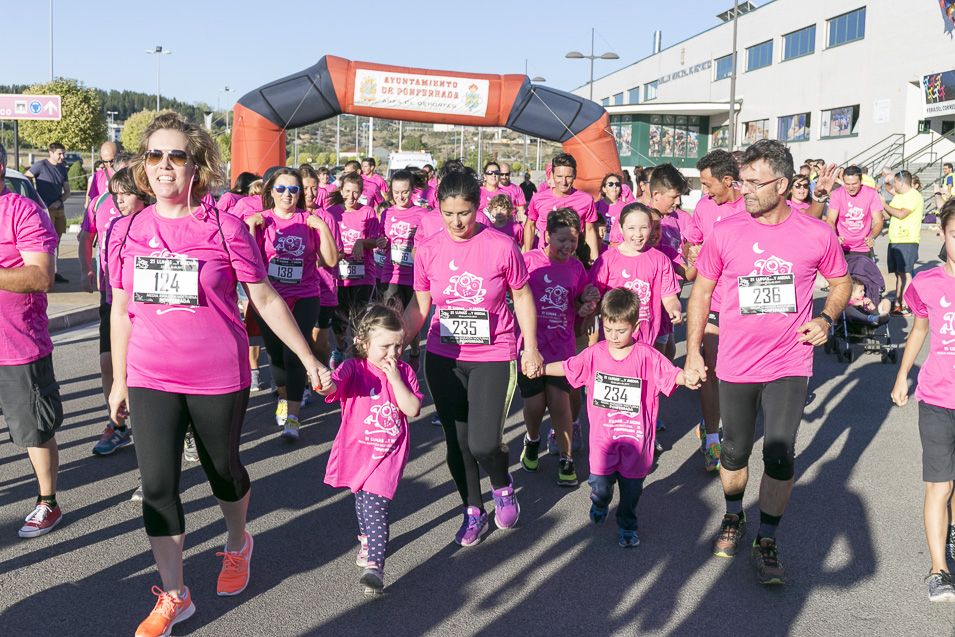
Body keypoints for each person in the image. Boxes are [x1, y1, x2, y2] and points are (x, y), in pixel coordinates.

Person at [107, 113, 330, 637]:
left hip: (216, 374)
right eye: (155, 156)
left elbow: (266, 297)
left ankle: (237, 542)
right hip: (149, 375)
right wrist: (118, 380)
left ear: (196, 165)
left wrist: (309, 359)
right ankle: (176, 594)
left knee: (223, 472)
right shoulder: (129, 228)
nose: (165, 166)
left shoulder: (224, 227)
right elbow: (120, 310)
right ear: (143, 166)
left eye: (177, 155)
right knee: (158, 485)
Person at [685, 139, 850, 585]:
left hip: (789, 362)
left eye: (754, 183)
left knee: (779, 453)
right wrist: (695, 350)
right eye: (742, 180)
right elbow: (701, 292)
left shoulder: (816, 234)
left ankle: (768, 539)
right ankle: (734, 515)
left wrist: (828, 318)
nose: (745, 190)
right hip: (736, 363)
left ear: (781, 183)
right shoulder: (727, 230)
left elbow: (841, 280)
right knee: (735, 452)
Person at [403, 169, 543, 545]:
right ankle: (473, 510)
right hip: (444, 354)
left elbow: (523, 296)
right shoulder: (429, 249)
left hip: (494, 353)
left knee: (483, 443)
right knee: (458, 442)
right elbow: (420, 305)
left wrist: (530, 347)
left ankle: (502, 484)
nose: (456, 222)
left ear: (477, 207)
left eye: (463, 212)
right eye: (448, 214)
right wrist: (397, 341)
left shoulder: (501, 246)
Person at [544, 288, 700, 547]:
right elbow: (569, 366)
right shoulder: (595, 354)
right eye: (609, 329)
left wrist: (688, 378)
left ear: (635, 326)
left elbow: (671, 374)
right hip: (603, 440)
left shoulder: (647, 356)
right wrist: (541, 369)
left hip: (636, 441)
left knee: (631, 493)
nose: (614, 337)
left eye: (621, 331)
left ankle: (627, 526)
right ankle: (600, 502)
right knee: (601, 486)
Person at [320, 304, 422, 595]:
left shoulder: (403, 371)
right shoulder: (354, 368)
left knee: (377, 505)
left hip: (388, 453)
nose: (393, 353)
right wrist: (325, 383)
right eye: (385, 346)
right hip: (358, 449)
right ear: (364, 343)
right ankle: (367, 539)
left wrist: (394, 379)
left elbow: (412, 408)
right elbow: (334, 388)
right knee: (362, 500)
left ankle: (375, 566)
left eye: (398, 345)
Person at [891, 199, 955, 602]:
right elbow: (918, 330)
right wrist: (902, 376)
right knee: (940, 485)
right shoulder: (927, 282)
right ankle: (938, 569)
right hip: (936, 397)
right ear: (942, 235)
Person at [0, 142, 64, 539]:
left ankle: (48, 501)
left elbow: (41, 276)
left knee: (34, 430)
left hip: (17, 344)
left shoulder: (21, 210)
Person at [245, 168, 338, 439]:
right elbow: (249, 264)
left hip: (306, 295)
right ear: (271, 192)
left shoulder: (310, 220)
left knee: (295, 353)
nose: (288, 195)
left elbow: (331, 261)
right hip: (270, 299)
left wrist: (321, 226)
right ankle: (284, 399)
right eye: (282, 189)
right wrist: (251, 228)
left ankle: (293, 417)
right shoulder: (261, 221)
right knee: (275, 354)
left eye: (294, 190)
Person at [518, 208, 598, 487]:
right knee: (535, 404)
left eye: (573, 241)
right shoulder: (528, 261)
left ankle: (566, 458)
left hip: (562, 347)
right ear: (547, 235)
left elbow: (578, 303)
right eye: (562, 240)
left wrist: (586, 304)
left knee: (561, 404)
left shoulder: (577, 268)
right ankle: (532, 439)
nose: (567, 246)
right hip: (529, 346)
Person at [78, 166, 148, 456]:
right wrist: (86, 271)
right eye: (116, 193)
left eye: (126, 194)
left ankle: (180, 428)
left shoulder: (156, 220)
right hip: (112, 299)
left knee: (145, 371)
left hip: (147, 306)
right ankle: (117, 424)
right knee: (109, 363)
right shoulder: (102, 208)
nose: (119, 200)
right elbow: (85, 237)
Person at [685, 149, 745, 472]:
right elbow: (690, 243)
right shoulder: (705, 207)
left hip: (745, 306)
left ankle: (732, 429)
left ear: (727, 180)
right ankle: (711, 437)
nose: (704, 192)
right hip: (713, 300)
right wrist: (690, 254)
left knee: (734, 374)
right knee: (709, 369)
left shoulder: (752, 204)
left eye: (709, 185)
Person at [590, 203, 682, 348]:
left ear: (651, 227)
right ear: (621, 228)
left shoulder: (660, 259)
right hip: (614, 339)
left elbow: (669, 296)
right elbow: (594, 295)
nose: (638, 234)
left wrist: (674, 308)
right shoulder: (607, 259)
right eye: (631, 228)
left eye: (644, 228)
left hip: (647, 340)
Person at [327, 172, 383, 366]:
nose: (351, 196)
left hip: (363, 274)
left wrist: (363, 242)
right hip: (339, 274)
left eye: (356, 192)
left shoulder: (367, 212)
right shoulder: (332, 212)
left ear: (361, 193)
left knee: (359, 317)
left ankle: (359, 355)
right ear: (341, 191)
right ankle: (340, 348)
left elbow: (377, 240)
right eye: (348, 191)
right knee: (339, 317)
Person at [377, 170, 426, 365]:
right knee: (392, 319)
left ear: (412, 190)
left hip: (414, 276)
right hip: (391, 274)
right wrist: (381, 242)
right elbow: (382, 238)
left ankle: (414, 350)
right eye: (396, 192)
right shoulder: (387, 212)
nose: (400, 196)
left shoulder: (422, 214)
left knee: (411, 321)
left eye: (404, 192)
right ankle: (392, 358)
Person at [300, 165, 344, 368]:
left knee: (319, 343)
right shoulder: (292, 215)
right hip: (296, 289)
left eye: (314, 188)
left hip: (323, 288)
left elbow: (337, 255)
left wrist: (318, 257)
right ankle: (305, 384)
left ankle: (324, 375)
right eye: (305, 188)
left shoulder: (326, 217)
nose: (310, 193)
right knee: (300, 341)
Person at [523, 153, 599, 260]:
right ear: (552, 175)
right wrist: (527, 254)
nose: (563, 182)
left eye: (568, 177)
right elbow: (530, 226)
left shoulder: (586, 200)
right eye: (559, 176)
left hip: (574, 258)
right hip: (545, 258)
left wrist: (594, 259)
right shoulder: (538, 198)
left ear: (575, 175)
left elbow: (590, 230)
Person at [26, 142, 70, 282]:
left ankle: (55, 272)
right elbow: (26, 177)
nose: (62, 156)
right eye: (59, 154)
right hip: (45, 211)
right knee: (46, 242)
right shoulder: (40, 165)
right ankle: (46, 271)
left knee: (57, 241)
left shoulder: (63, 168)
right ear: (51, 153)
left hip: (59, 210)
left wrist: (60, 200)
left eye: (63, 153)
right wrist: (36, 198)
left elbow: (67, 190)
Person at [883, 170, 925, 315]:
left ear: (901, 181)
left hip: (908, 240)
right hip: (895, 239)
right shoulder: (899, 196)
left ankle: (907, 305)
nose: (894, 185)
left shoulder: (914, 196)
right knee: (899, 274)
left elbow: (901, 214)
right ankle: (898, 304)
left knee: (906, 275)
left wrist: (884, 204)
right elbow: (888, 214)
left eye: (895, 182)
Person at [822, 165, 884, 255]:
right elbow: (830, 219)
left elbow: (879, 221)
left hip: (863, 247)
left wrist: (872, 237)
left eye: (854, 184)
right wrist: (835, 236)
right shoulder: (837, 194)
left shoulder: (871, 193)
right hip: (841, 246)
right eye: (847, 184)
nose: (851, 188)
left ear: (861, 181)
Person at [85, 141, 119, 207]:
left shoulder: (127, 174)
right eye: (105, 161)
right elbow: (93, 202)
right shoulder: (97, 177)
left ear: (118, 155)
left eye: (112, 160)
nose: (109, 164)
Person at [597, 173, 626, 246]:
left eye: (617, 184)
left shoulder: (626, 208)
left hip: (619, 247)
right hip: (600, 246)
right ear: (604, 189)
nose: (614, 186)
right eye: (610, 184)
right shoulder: (596, 206)